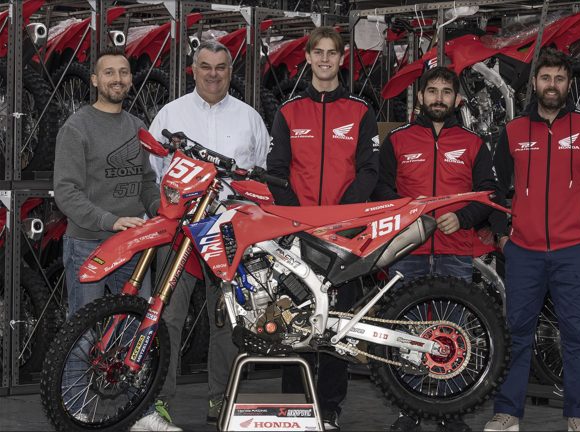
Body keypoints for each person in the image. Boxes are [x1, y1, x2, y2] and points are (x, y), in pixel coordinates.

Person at [484, 48, 580, 432]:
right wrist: (501, 237)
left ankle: (578, 418)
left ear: (569, 84)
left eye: (559, 79)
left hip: (574, 254)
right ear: (535, 83)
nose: (552, 85)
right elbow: (492, 189)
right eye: (546, 78)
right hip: (523, 253)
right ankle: (507, 415)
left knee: (577, 338)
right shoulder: (513, 130)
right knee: (516, 336)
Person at [146, 40, 270, 430]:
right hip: (180, 230)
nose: (213, 74)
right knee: (168, 316)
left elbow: (261, 174)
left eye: (220, 67)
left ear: (230, 72)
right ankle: (159, 402)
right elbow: (154, 171)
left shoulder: (250, 118)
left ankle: (222, 399)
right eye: (205, 66)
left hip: (231, 233)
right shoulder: (171, 114)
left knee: (228, 321)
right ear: (193, 69)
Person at [372, 66, 497, 432]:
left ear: (456, 99)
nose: (438, 98)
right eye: (432, 91)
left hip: (454, 251)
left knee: (452, 334)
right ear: (421, 97)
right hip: (406, 252)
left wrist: (463, 217)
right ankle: (408, 412)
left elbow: (489, 193)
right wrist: (405, 213)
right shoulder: (398, 140)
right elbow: (379, 188)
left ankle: (450, 410)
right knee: (406, 332)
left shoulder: (474, 144)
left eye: (445, 91)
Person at [267, 26, 379, 431]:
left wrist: (341, 218)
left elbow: (370, 171)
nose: (326, 59)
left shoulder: (361, 111)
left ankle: (329, 408)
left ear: (342, 58)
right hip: (297, 235)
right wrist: (299, 222)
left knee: (336, 324)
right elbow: (276, 172)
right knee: (292, 322)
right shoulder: (288, 111)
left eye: (333, 53)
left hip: (343, 236)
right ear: (309, 58)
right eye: (319, 52)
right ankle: (293, 408)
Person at [53, 47, 166, 431]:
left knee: (138, 332)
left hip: (133, 248)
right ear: (94, 80)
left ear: (131, 79)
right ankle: (74, 412)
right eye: (109, 73)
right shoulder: (77, 128)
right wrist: (109, 220)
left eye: (123, 72)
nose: (117, 79)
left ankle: (140, 414)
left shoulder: (137, 125)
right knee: (82, 334)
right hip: (88, 244)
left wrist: (162, 208)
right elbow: (66, 192)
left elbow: (146, 183)